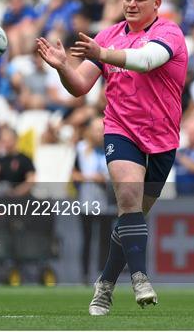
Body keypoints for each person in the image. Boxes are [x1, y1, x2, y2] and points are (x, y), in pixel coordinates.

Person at [36, 0, 187, 315]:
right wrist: (63, 68)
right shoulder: (109, 35)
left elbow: (146, 61)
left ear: (156, 4)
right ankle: (140, 278)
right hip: (121, 129)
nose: (131, 4)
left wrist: (102, 53)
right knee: (129, 197)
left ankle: (104, 284)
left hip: (162, 136)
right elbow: (79, 87)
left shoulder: (169, 33)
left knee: (131, 218)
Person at [71, 116, 112, 285]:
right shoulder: (80, 150)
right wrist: (89, 177)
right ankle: (85, 275)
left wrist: (104, 179)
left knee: (105, 241)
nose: (100, 133)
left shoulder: (109, 150)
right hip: (87, 200)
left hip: (105, 201)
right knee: (87, 239)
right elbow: (72, 173)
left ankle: (104, 275)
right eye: (96, 129)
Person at [0, 126, 35, 197]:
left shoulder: (24, 159)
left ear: (14, 140)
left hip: (21, 199)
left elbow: (31, 180)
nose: (5, 144)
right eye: (3, 141)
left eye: (7, 140)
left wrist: (15, 193)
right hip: (2, 197)